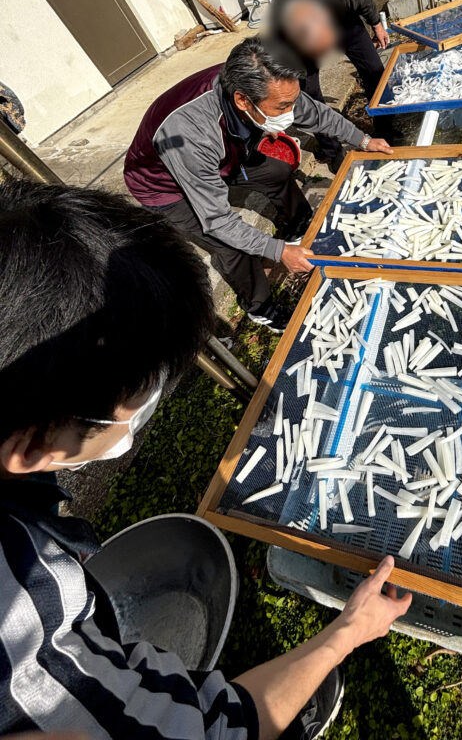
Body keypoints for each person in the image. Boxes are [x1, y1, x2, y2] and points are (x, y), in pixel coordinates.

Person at [0, 179, 412, 740]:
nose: (151, 400)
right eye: (144, 391)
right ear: (31, 448)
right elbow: (206, 735)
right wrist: (348, 631)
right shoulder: (23, 629)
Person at [124, 36, 392, 332]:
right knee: (232, 248)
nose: (290, 114)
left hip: (227, 153)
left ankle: (298, 225)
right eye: (282, 108)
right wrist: (276, 252)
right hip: (165, 185)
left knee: (276, 171)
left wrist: (364, 140)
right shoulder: (190, 133)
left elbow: (317, 114)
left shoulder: (269, 82)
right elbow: (217, 220)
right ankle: (260, 306)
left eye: (292, 101)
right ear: (242, 100)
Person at [267, 0, 395, 170]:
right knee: (309, 91)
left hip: (344, 21)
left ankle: (387, 131)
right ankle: (332, 151)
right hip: (301, 28)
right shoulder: (285, 25)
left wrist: (377, 25)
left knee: (374, 71)